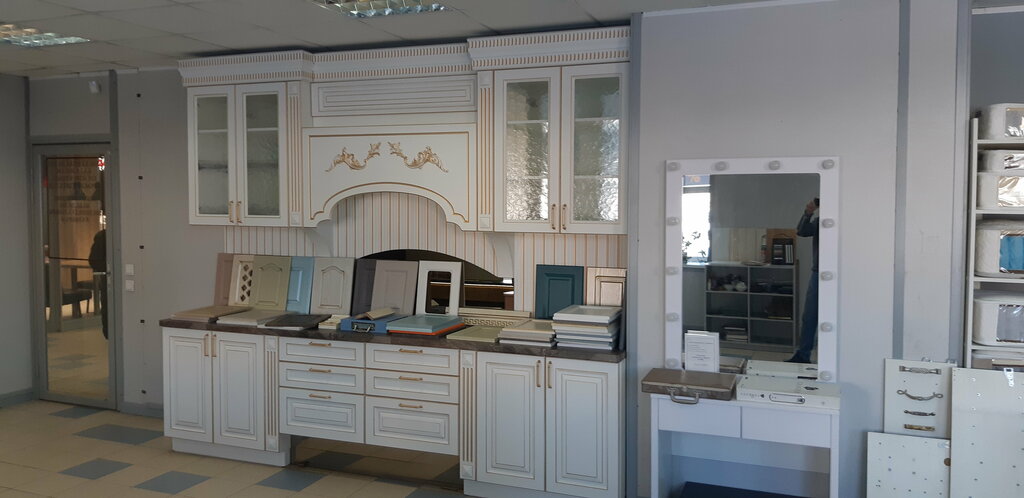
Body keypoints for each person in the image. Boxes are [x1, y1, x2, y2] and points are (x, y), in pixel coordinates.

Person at [787, 198, 818, 363]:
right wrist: (808, 213)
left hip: (843, 274)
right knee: (809, 316)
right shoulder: (822, 222)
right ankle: (803, 355)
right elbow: (801, 231)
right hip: (818, 273)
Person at [88, 229, 108, 340]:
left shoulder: (103, 235)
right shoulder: (103, 236)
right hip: (107, 279)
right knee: (108, 307)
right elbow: (94, 260)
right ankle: (109, 334)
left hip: (107, 279)